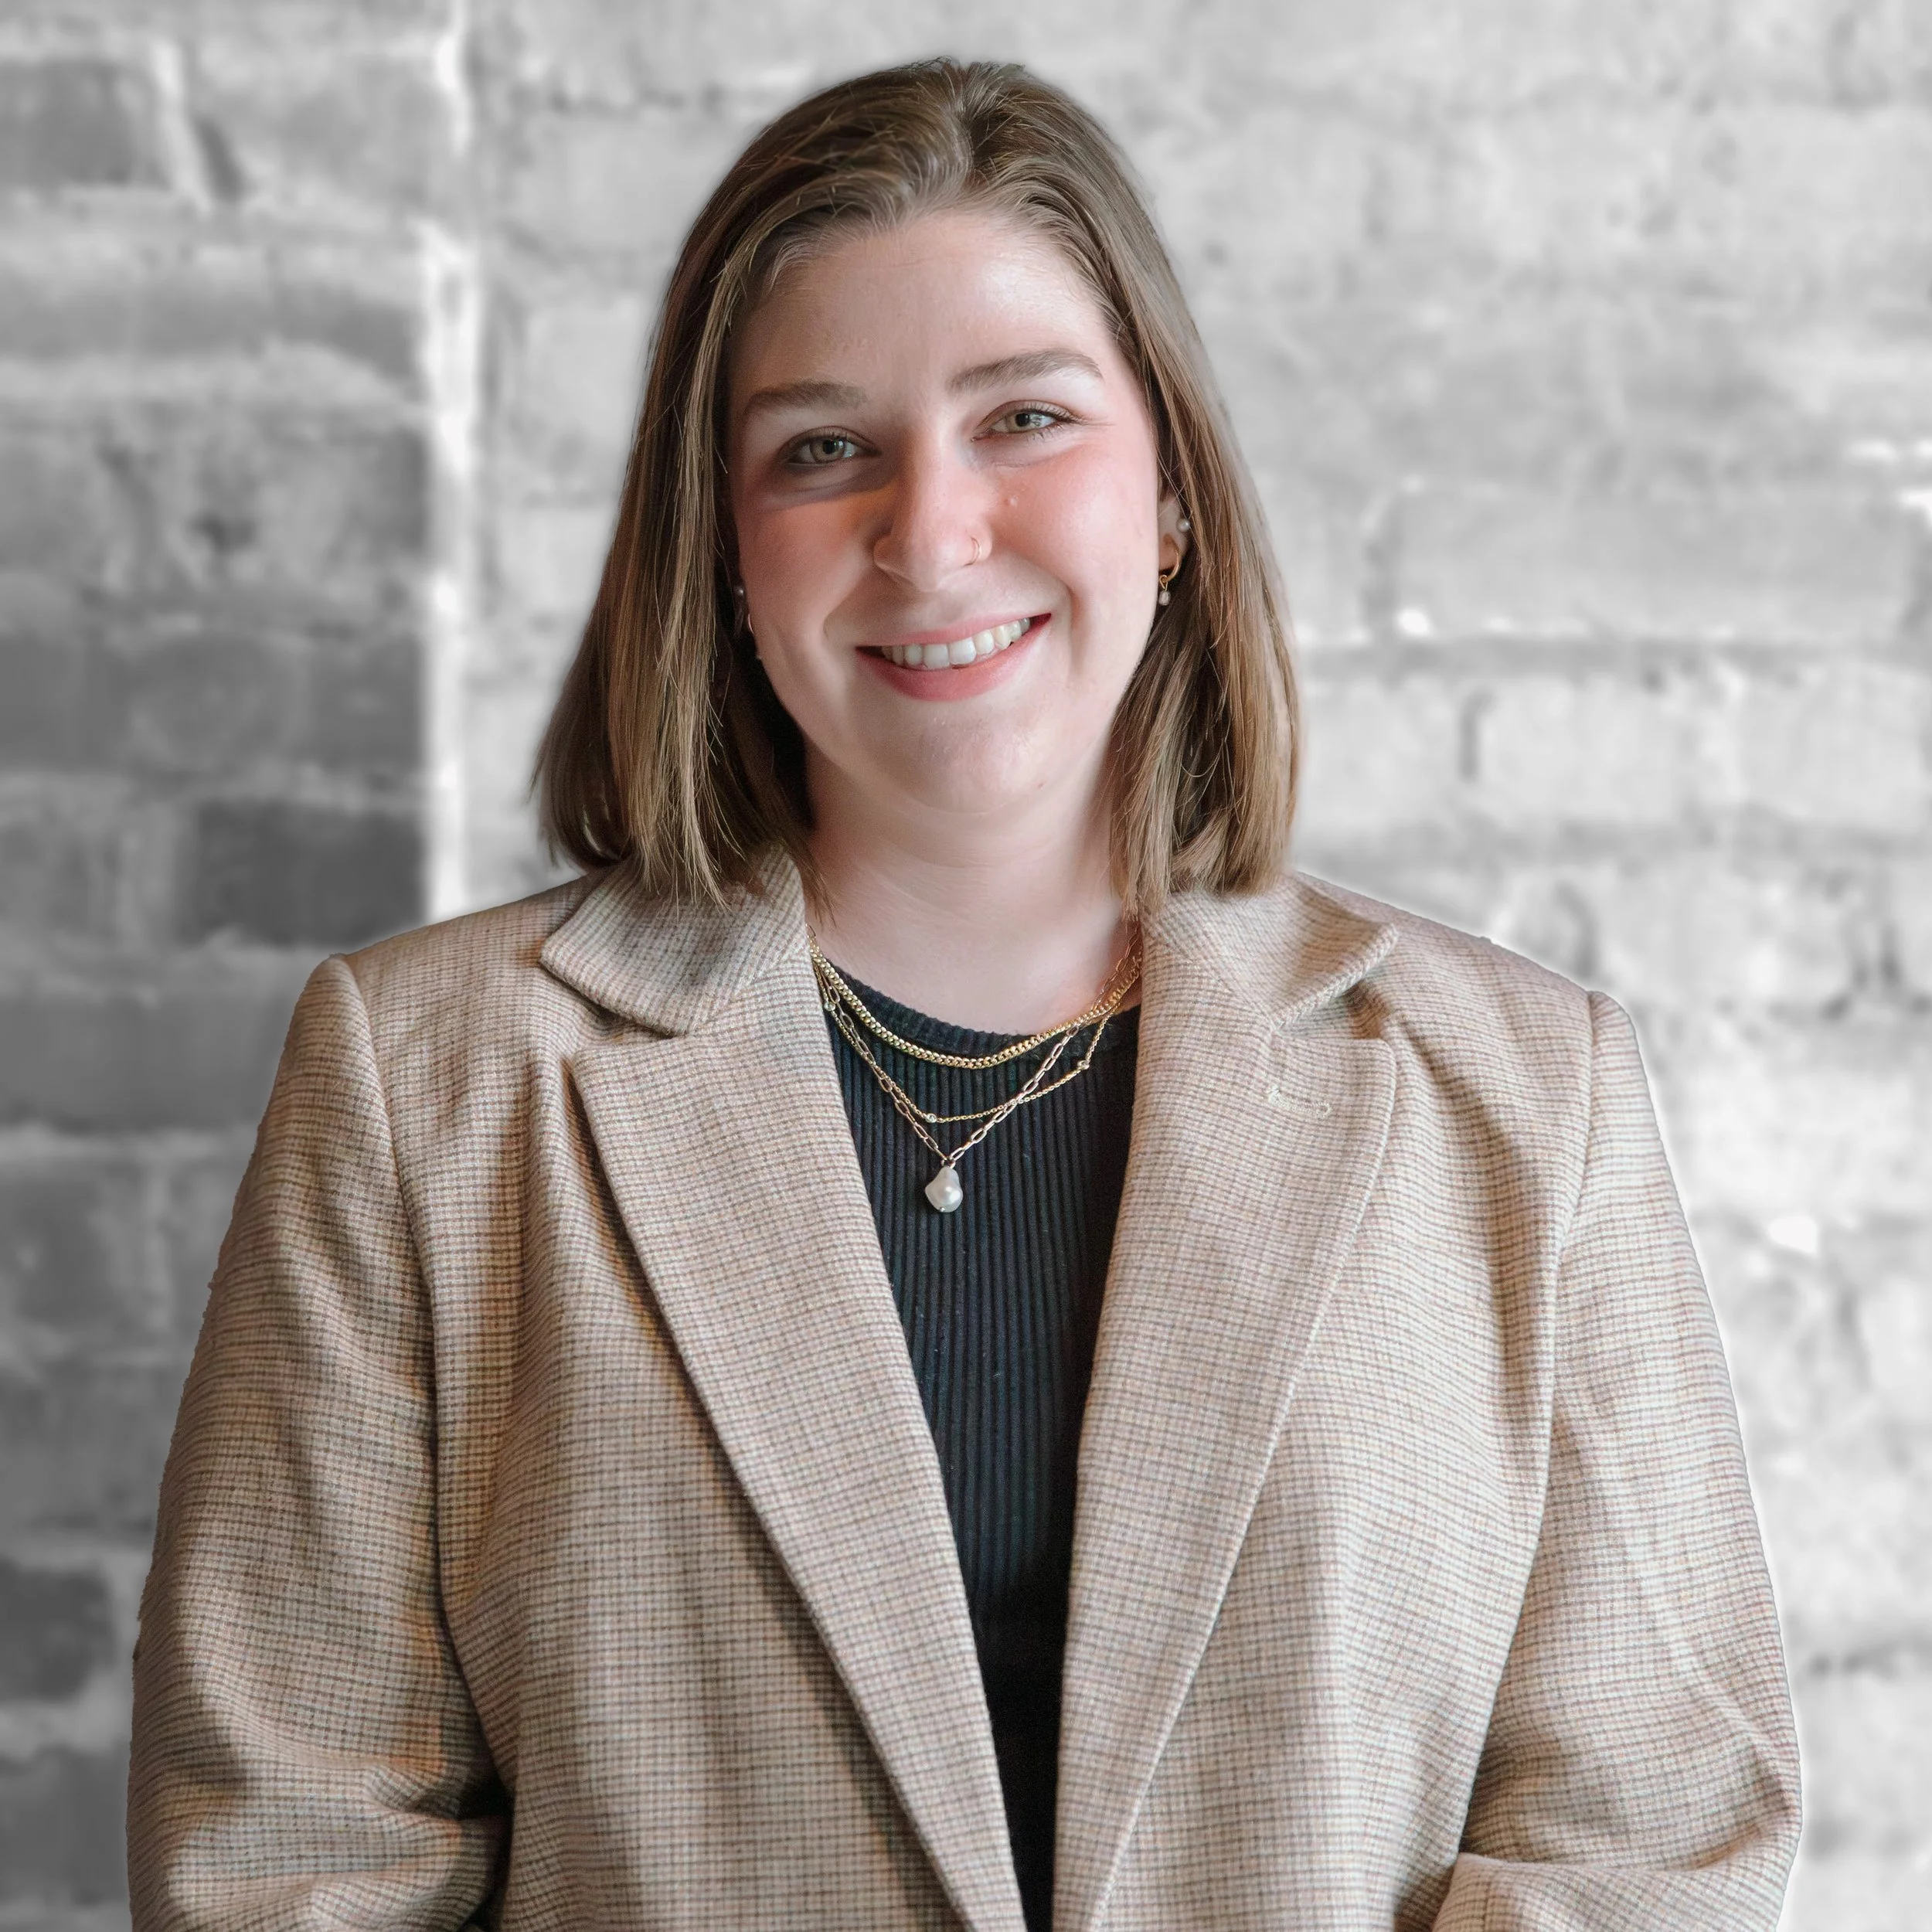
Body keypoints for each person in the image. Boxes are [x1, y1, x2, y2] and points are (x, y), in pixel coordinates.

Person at [127, 57, 1801, 1932]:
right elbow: (287, 1864)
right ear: (727, 561)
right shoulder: (431, 1086)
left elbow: (1655, 1839)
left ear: (1166, 497)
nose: (930, 533)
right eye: (821, 447)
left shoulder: (1519, 1093)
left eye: (1021, 417)